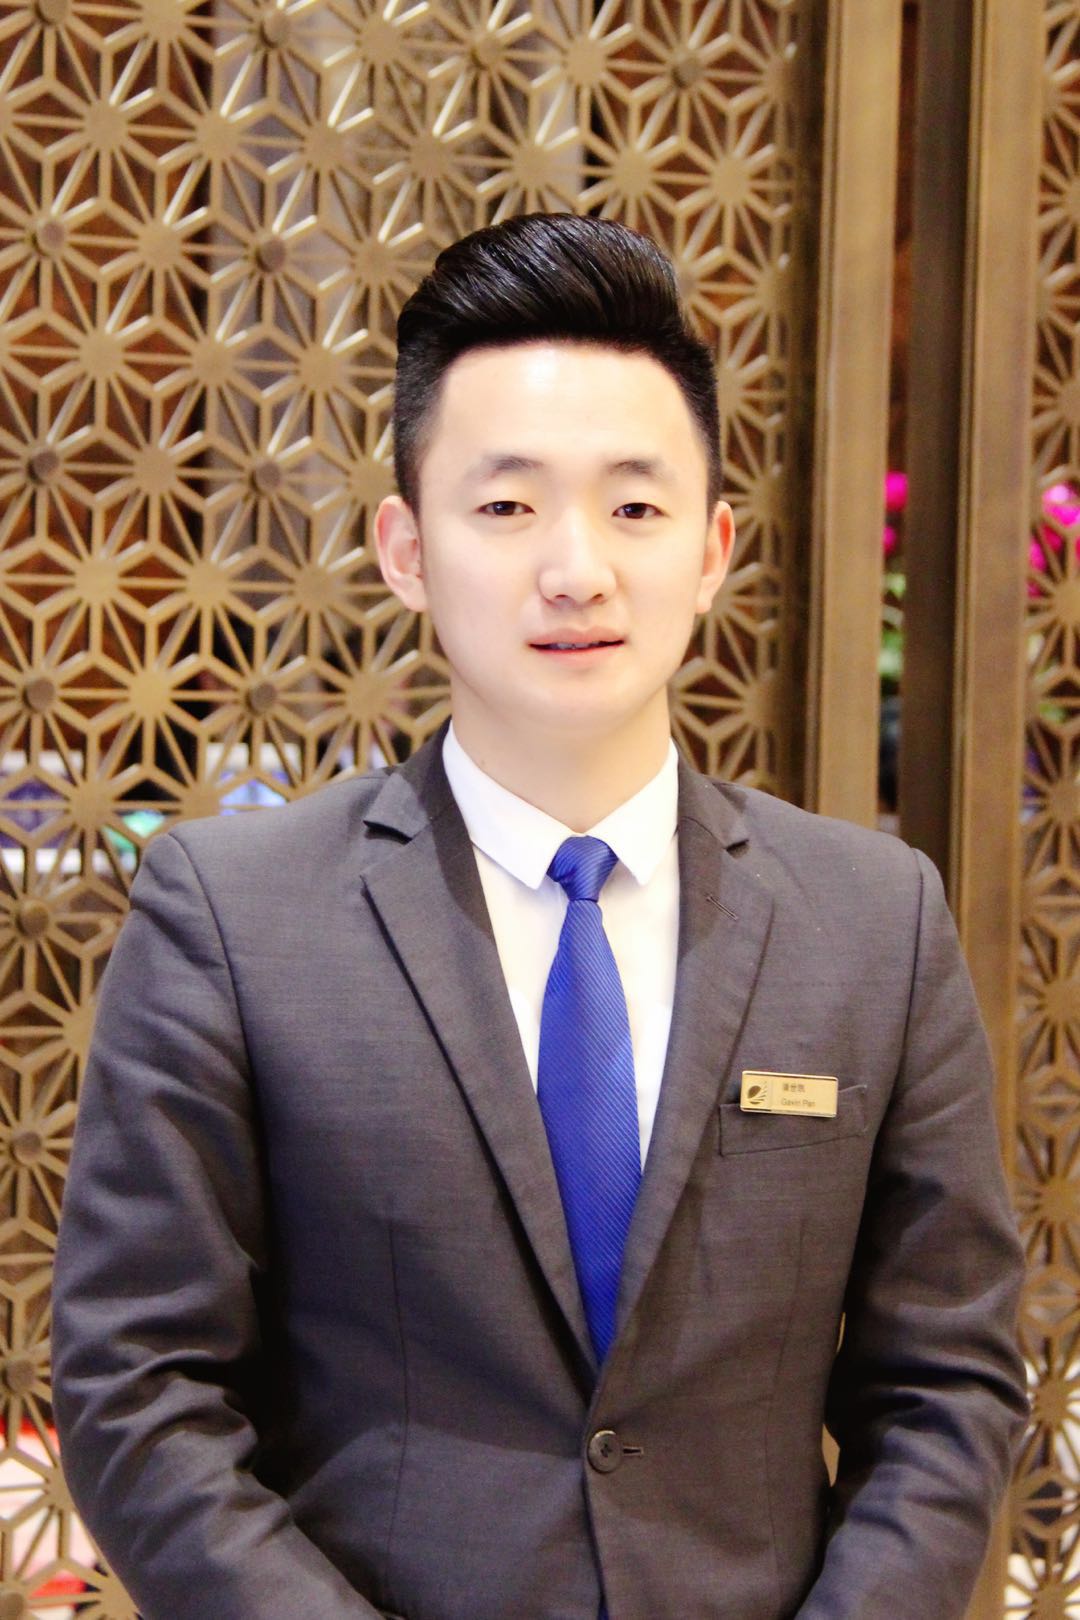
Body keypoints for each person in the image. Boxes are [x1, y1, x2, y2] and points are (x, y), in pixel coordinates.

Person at [52, 213, 1027, 1620]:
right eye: (506, 507)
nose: (576, 569)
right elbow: (138, 1387)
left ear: (712, 547)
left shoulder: (877, 922)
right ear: (405, 547)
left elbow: (945, 1385)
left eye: (634, 508)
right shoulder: (235, 917)